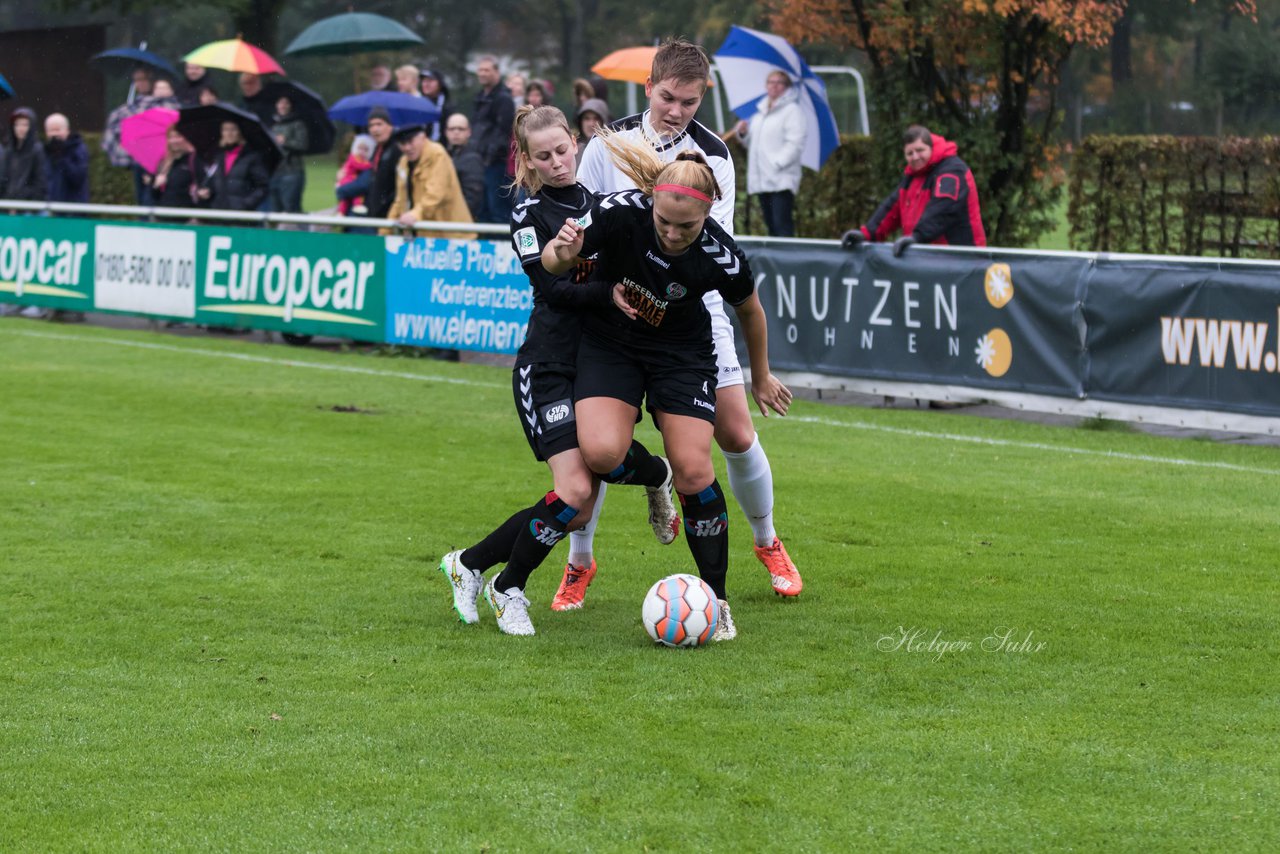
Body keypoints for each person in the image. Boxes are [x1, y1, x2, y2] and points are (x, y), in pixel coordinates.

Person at [575, 38, 803, 602]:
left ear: (703, 98)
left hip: (690, 311)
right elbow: (586, 226)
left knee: (735, 431)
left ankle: (767, 540)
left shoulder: (714, 156)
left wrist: (760, 371)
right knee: (595, 444)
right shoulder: (608, 144)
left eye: (690, 101)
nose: (677, 110)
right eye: (669, 97)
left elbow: (701, 245)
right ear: (649, 85)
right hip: (617, 308)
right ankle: (579, 563)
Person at [438, 104, 678, 635]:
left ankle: (471, 564)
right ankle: (509, 587)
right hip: (546, 364)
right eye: (542, 156)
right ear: (527, 160)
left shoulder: (605, 205)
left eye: (562, 150)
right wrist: (605, 290)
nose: (557, 162)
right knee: (575, 494)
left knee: (598, 472)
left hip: (598, 361)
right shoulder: (528, 216)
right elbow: (551, 287)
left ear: (576, 142)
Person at [544, 134, 793, 640]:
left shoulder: (720, 254)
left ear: (708, 216)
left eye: (688, 226)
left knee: (697, 471)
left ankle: (717, 600)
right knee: (600, 453)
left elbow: (751, 311)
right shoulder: (617, 211)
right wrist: (561, 253)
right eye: (664, 222)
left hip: (680, 355)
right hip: (611, 343)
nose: (675, 235)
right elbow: (552, 267)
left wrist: (760, 375)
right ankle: (651, 476)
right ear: (650, 200)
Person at [841, 124, 986, 255]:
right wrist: (867, 234)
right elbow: (891, 209)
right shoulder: (912, 176)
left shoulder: (952, 171)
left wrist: (917, 236)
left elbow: (943, 209)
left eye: (920, 150)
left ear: (931, 148)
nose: (915, 157)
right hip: (925, 261)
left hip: (962, 262)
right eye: (910, 153)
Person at [732, 70, 805, 237]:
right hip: (762, 180)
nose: (774, 86)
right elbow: (753, 143)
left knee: (782, 226)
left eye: (779, 82)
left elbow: (795, 143)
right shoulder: (760, 112)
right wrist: (743, 133)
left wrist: (777, 163)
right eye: (771, 82)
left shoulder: (792, 111)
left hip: (781, 181)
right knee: (771, 227)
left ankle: (786, 262)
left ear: (786, 87)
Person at [383, 124, 474, 238]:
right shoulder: (403, 162)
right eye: (402, 143)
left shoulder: (437, 154)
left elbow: (435, 194)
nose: (407, 147)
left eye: (410, 141)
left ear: (423, 137)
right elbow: (400, 201)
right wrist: (384, 231)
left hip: (451, 236)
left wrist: (415, 214)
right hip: (422, 236)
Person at [470, 55, 515, 223]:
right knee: (482, 210)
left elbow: (503, 133)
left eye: (486, 70)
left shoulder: (503, 99)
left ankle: (503, 248)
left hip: (496, 164)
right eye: (480, 70)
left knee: (498, 210)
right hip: (480, 161)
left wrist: (488, 157)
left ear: (497, 72)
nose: (482, 73)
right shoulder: (480, 97)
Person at [196, 120, 269, 211]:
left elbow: (262, 186)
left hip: (241, 215)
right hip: (218, 213)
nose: (229, 133)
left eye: (233, 129)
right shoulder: (218, 156)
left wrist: (246, 204)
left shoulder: (252, 157)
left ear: (240, 132)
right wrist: (206, 190)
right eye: (225, 130)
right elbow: (211, 181)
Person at [268, 95, 309, 213]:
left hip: (292, 171)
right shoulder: (272, 124)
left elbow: (302, 145)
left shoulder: (298, 124)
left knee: (291, 209)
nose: (282, 106)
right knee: (274, 210)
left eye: (286, 103)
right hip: (275, 171)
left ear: (291, 105)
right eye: (280, 103)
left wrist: (285, 141)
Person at [1, 107, 48, 201]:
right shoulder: (8, 151)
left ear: (31, 126)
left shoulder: (37, 150)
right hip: (7, 208)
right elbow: (3, 180)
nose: (20, 128)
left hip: (29, 209)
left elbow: (40, 184)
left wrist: (20, 199)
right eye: (17, 124)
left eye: (25, 124)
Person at [443, 114, 484, 219]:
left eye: (461, 129)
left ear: (468, 132)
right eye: (452, 129)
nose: (456, 132)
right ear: (446, 132)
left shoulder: (473, 158)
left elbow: (473, 198)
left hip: (461, 219)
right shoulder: (443, 156)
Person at [43, 113, 89, 204]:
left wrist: (63, 155)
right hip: (51, 208)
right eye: (51, 130)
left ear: (67, 130)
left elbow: (77, 179)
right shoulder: (45, 151)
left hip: (74, 209)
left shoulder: (78, 149)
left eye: (58, 130)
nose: (55, 134)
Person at [153, 127, 198, 208]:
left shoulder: (193, 160)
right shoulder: (163, 162)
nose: (174, 140)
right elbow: (154, 196)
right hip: (163, 215)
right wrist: (156, 185)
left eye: (178, 136)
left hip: (185, 215)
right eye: (170, 137)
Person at [335, 134, 375, 216]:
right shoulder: (354, 158)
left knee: (347, 198)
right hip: (348, 179)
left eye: (366, 150)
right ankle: (349, 208)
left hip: (350, 180)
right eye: (360, 148)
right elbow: (359, 166)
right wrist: (371, 165)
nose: (362, 152)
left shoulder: (360, 159)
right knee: (354, 194)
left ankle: (342, 212)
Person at [419, 69, 452, 142]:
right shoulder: (417, 104)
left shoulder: (447, 106)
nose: (426, 84)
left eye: (430, 80)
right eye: (424, 81)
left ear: (440, 84)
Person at [575, 98, 608, 166]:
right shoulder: (575, 153)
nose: (591, 124)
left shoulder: (612, 152)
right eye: (587, 118)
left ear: (603, 121)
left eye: (596, 118)